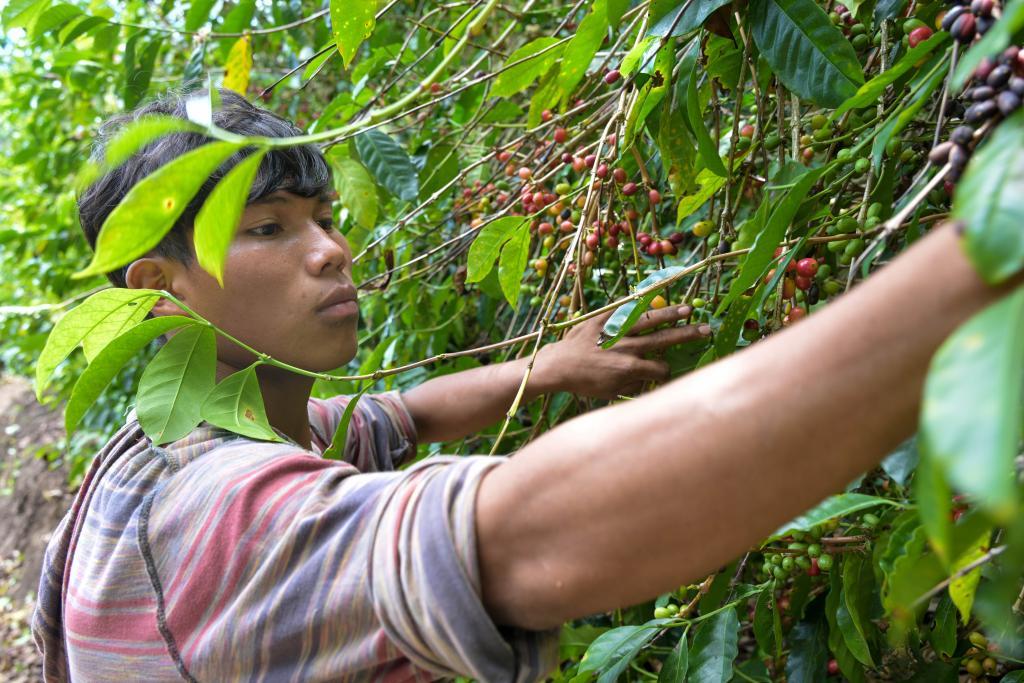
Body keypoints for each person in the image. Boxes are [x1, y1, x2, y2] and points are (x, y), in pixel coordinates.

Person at [32, 89, 1019, 682]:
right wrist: (985, 256)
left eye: (324, 215)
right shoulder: (215, 515)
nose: (332, 251)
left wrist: (545, 369)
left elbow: (394, 414)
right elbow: (528, 538)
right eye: (269, 228)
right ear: (160, 290)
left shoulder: (192, 444)